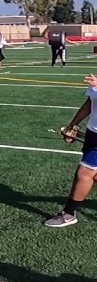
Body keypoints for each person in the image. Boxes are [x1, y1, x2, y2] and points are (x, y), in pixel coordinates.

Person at [43, 74, 97, 227]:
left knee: (84, 173)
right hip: (93, 133)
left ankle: (68, 214)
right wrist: (72, 125)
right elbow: (89, 103)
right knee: (91, 174)